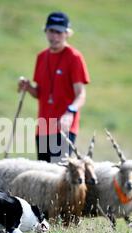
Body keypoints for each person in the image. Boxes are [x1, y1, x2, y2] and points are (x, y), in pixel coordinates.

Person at [18, 12, 90, 163]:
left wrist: (70, 111)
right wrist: (28, 87)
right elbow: (40, 93)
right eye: (51, 31)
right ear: (46, 31)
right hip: (44, 126)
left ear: (67, 34)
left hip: (64, 128)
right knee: (43, 175)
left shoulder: (74, 57)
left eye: (59, 32)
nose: (54, 36)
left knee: (58, 175)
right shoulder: (41, 57)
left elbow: (81, 94)